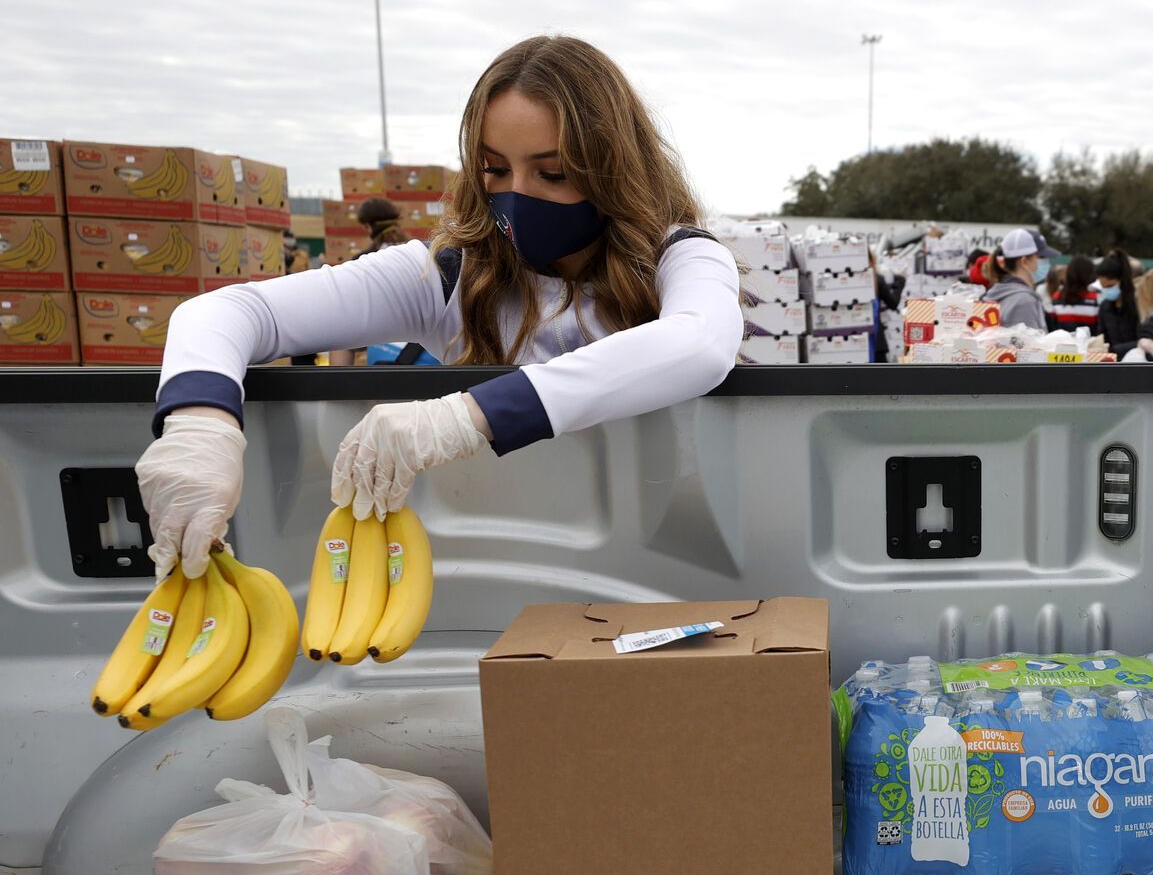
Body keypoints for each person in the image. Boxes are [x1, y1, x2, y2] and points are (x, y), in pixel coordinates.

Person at [133, 34, 743, 579]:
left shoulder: (680, 259)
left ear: (616, 167)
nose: (518, 196)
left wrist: (462, 417)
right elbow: (229, 313)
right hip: (489, 573)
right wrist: (200, 425)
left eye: (552, 172)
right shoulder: (448, 276)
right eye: (495, 170)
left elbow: (698, 343)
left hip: (664, 573)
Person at [986, 228, 1058, 330]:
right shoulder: (1024, 300)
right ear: (1024, 262)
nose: (1046, 262)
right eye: (1041, 257)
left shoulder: (997, 292)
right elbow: (1029, 345)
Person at [1094, 250, 1145, 358]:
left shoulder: (1141, 304)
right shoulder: (1105, 307)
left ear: (1123, 280)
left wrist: (1113, 350)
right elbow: (1102, 337)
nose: (1106, 291)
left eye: (1110, 286)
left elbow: (1145, 340)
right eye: (1103, 287)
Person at [1050, 256, 1100, 333]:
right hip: (1092, 344)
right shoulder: (1096, 298)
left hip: (1062, 343)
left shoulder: (1057, 297)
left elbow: (1053, 327)